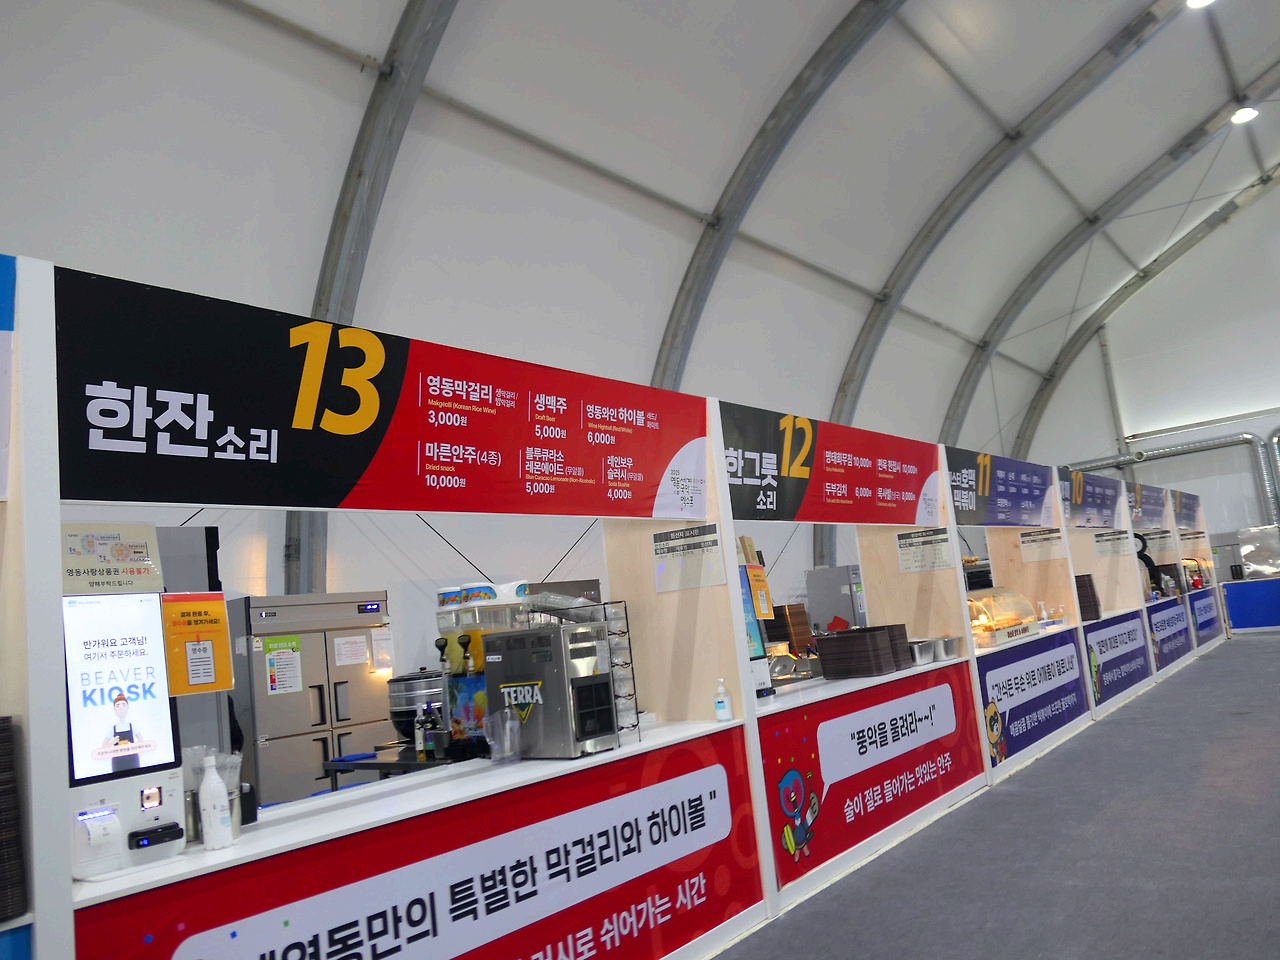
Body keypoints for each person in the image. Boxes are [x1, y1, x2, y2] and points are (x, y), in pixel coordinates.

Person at [103, 693, 141, 772]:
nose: (121, 708)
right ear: (114, 709)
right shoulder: (113, 728)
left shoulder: (131, 726)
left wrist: (132, 746)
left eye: (123, 705)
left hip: (132, 759)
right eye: (118, 706)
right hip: (118, 761)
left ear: (127, 707)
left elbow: (142, 743)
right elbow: (104, 747)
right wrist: (112, 742)